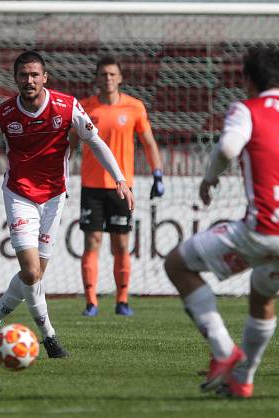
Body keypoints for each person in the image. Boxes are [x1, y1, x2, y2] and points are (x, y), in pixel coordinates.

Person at [163, 46, 279, 398]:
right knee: (261, 298)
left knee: (177, 264)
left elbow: (227, 150)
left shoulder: (246, 109)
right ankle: (243, 380)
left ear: (248, 80)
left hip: (264, 228)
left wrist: (209, 180)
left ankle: (223, 351)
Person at [0, 51, 134, 359]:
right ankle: (49, 337)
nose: (29, 80)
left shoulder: (66, 107)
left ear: (45, 78)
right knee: (30, 270)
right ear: (15, 79)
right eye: (23, 75)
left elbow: (95, 142)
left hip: (54, 197)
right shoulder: (3, 113)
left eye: (34, 75)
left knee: (35, 273)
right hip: (19, 195)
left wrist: (119, 179)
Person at [76, 56, 164, 317]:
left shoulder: (134, 107)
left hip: (122, 187)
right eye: (103, 74)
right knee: (92, 242)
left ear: (120, 78)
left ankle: (122, 300)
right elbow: (69, 143)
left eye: (112, 74)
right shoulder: (84, 108)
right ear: (97, 78)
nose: (108, 79)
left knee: (122, 245)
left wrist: (157, 173)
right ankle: (91, 302)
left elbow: (148, 142)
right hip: (91, 185)